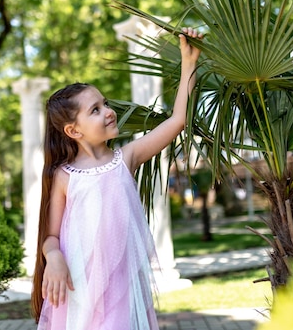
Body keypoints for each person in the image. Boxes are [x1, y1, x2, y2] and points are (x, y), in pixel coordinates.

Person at [31, 27, 203, 329]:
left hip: (122, 288)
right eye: (95, 110)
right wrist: (53, 257)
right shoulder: (64, 176)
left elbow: (177, 121)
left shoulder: (127, 159)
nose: (109, 112)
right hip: (79, 289)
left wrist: (189, 64)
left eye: (105, 103)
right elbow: (51, 235)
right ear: (74, 130)